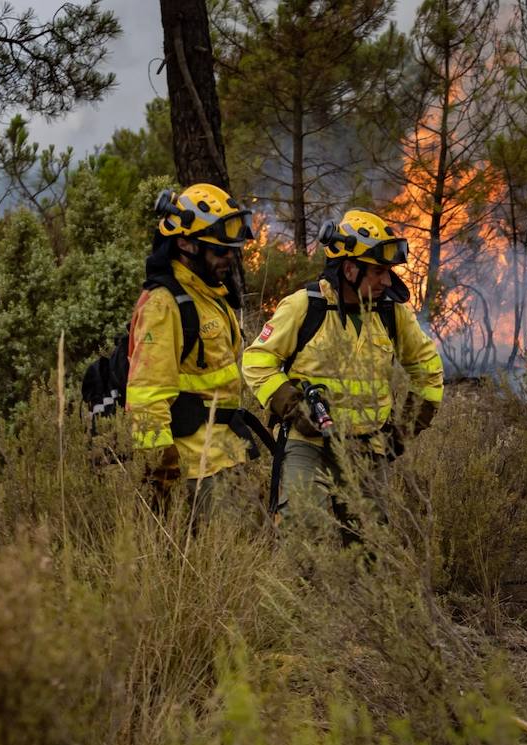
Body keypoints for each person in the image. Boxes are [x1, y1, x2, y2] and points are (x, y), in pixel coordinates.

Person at [242, 209, 443, 539]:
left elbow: (428, 369)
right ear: (349, 269)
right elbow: (257, 361)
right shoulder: (305, 306)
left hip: (368, 449)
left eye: (388, 272)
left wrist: (405, 428)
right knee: (305, 531)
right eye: (378, 271)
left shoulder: (393, 314)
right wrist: (293, 405)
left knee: (370, 546)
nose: (387, 281)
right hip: (309, 444)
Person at [126, 183, 266, 515]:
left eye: (232, 250)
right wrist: (160, 481)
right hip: (196, 471)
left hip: (227, 456)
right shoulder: (163, 305)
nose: (230, 258)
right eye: (220, 251)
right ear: (186, 244)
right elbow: (148, 396)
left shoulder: (210, 296)